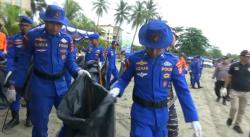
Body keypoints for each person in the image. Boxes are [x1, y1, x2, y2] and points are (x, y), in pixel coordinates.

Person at [109, 20, 202, 137]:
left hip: (162, 116)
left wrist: (193, 117)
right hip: (141, 115)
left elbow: (183, 90)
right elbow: (124, 79)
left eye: (158, 48)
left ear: (164, 44)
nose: (154, 51)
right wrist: (117, 88)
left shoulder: (173, 62)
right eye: (150, 47)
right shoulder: (134, 59)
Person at [17, 5, 90, 137]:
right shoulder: (32, 36)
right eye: (52, 23)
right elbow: (23, 61)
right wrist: (15, 85)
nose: (55, 27)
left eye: (59, 24)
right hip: (40, 88)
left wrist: (78, 71)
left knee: (71, 121)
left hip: (61, 87)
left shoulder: (67, 39)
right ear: (45, 21)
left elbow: (69, 61)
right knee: (40, 126)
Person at [4, 16, 33, 129]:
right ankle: (15, 118)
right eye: (21, 25)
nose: (23, 27)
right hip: (17, 71)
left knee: (30, 97)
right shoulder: (13, 39)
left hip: (31, 72)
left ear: (31, 26)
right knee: (14, 97)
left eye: (26, 25)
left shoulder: (36, 38)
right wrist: (10, 74)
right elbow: (10, 57)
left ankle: (29, 118)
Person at [223, 50, 250, 134]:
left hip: (246, 92)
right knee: (234, 108)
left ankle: (237, 125)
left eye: (249, 56)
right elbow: (229, 77)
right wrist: (224, 88)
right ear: (241, 56)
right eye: (247, 56)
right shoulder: (234, 65)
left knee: (242, 110)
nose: (248, 58)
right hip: (234, 91)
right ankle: (231, 117)